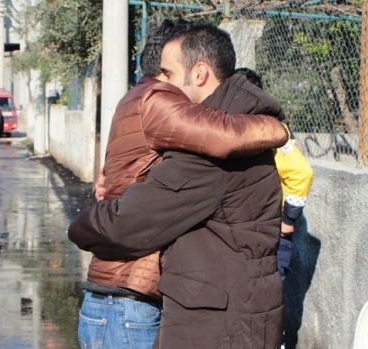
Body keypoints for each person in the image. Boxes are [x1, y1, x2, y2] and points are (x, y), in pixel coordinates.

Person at [70, 21, 287, 349]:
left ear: (199, 74)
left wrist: (83, 222)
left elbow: (128, 223)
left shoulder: (211, 156)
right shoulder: (237, 125)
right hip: (240, 314)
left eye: (168, 75)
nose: (161, 85)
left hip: (215, 326)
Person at [234, 67, 314, 281]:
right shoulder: (257, 126)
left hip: (272, 233)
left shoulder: (267, 128)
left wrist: (288, 219)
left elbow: (301, 173)